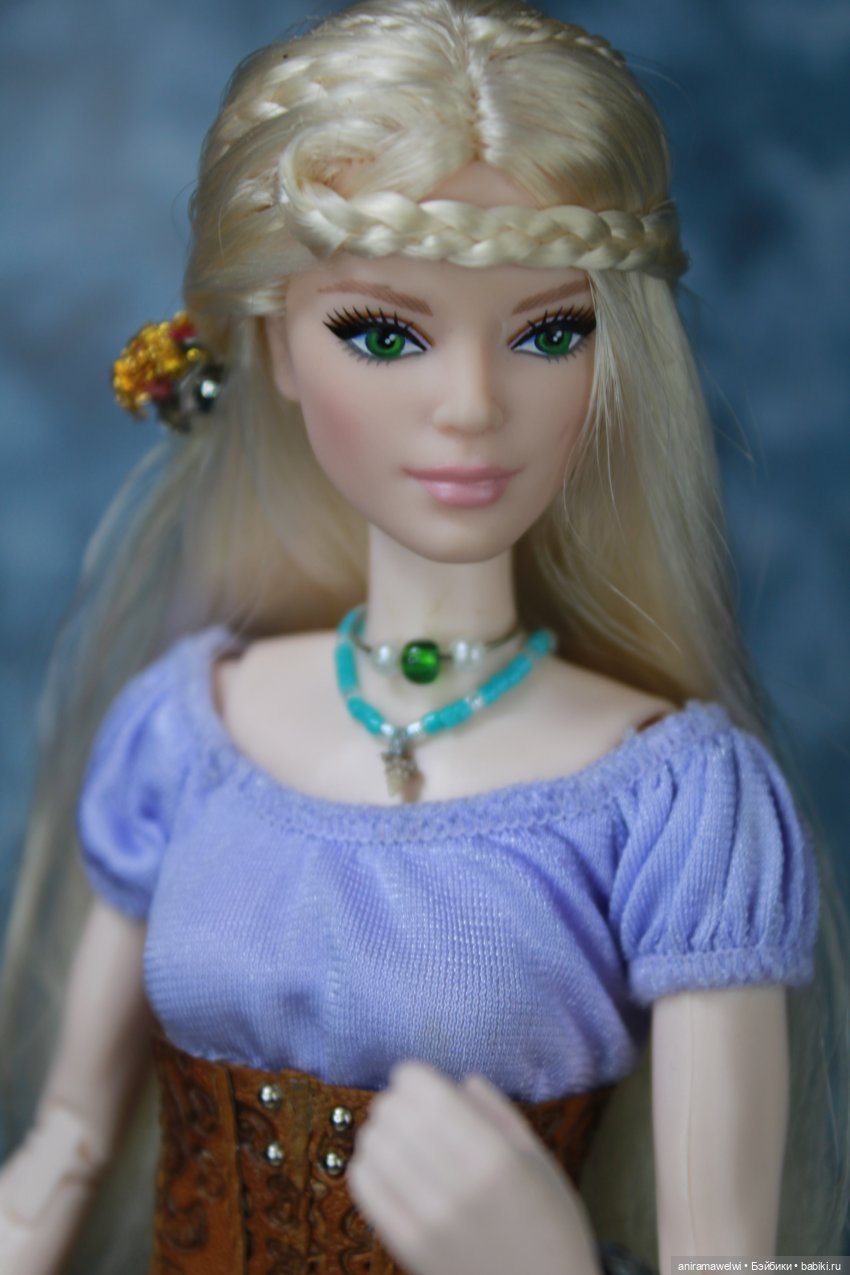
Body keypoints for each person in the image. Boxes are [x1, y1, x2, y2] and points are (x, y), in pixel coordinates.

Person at [0, 1, 847, 1272]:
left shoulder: (672, 803)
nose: (470, 406)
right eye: (383, 334)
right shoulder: (189, 730)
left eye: (548, 333)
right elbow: (64, 1144)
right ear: (278, 348)